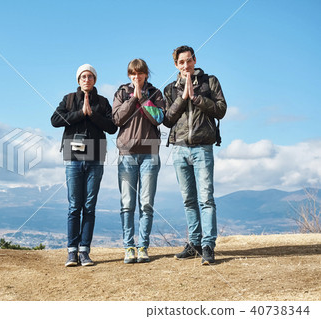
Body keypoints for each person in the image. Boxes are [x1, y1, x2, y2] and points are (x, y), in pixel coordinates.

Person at [163, 45, 227, 265]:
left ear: (194, 59)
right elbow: (168, 119)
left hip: (203, 147)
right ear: (176, 65)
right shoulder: (170, 89)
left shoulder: (210, 82)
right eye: (181, 62)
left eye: (189, 60)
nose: (186, 65)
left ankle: (208, 245)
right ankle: (195, 243)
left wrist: (197, 98)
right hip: (179, 149)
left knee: (206, 199)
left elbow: (221, 110)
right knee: (188, 200)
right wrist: (183, 97)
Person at [51, 64, 117, 267]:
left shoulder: (103, 102)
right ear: (78, 80)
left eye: (90, 76)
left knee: (89, 206)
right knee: (74, 206)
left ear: (95, 80)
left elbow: (112, 127)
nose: (86, 79)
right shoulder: (69, 99)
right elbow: (55, 120)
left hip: (96, 157)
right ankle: (72, 252)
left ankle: (85, 251)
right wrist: (80, 113)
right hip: (74, 157)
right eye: (83, 76)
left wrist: (93, 115)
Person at [112, 59, 165, 264]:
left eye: (140, 74)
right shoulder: (121, 93)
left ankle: (143, 246)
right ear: (129, 75)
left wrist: (143, 99)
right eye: (133, 74)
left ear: (146, 75)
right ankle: (129, 248)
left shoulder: (155, 93)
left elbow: (159, 117)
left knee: (146, 204)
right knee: (127, 204)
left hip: (150, 153)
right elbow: (117, 119)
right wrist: (133, 99)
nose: (137, 77)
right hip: (126, 154)